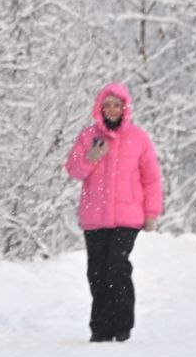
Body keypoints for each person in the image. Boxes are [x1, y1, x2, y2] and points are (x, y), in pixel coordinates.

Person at [63, 83, 164, 342]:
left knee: (116, 267)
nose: (111, 109)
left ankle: (122, 324)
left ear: (124, 108)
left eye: (116, 105)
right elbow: (74, 171)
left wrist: (151, 212)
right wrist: (90, 157)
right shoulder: (88, 136)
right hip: (95, 216)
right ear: (100, 108)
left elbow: (151, 178)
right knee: (96, 271)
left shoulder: (139, 138)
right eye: (106, 105)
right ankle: (100, 327)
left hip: (127, 217)